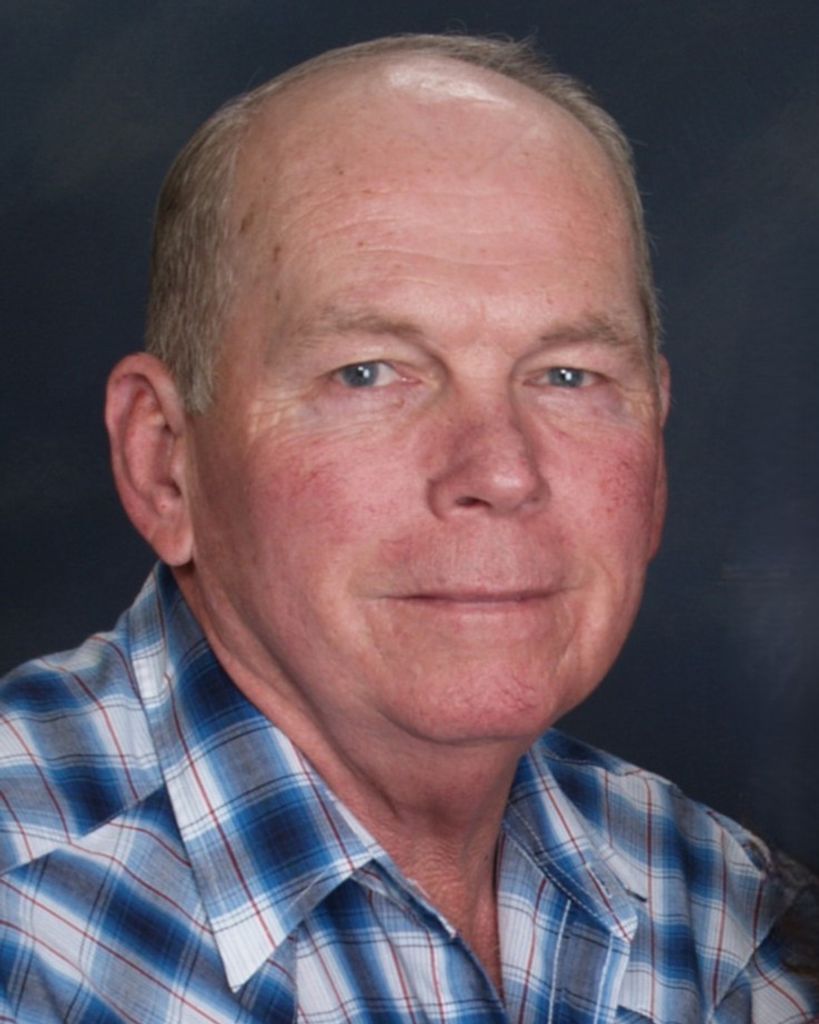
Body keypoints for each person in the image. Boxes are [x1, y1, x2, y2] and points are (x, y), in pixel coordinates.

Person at [0, 33, 816, 1023]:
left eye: (567, 375)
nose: (502, 470)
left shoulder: (737, 920)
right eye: (369, 373)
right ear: (164, 462)